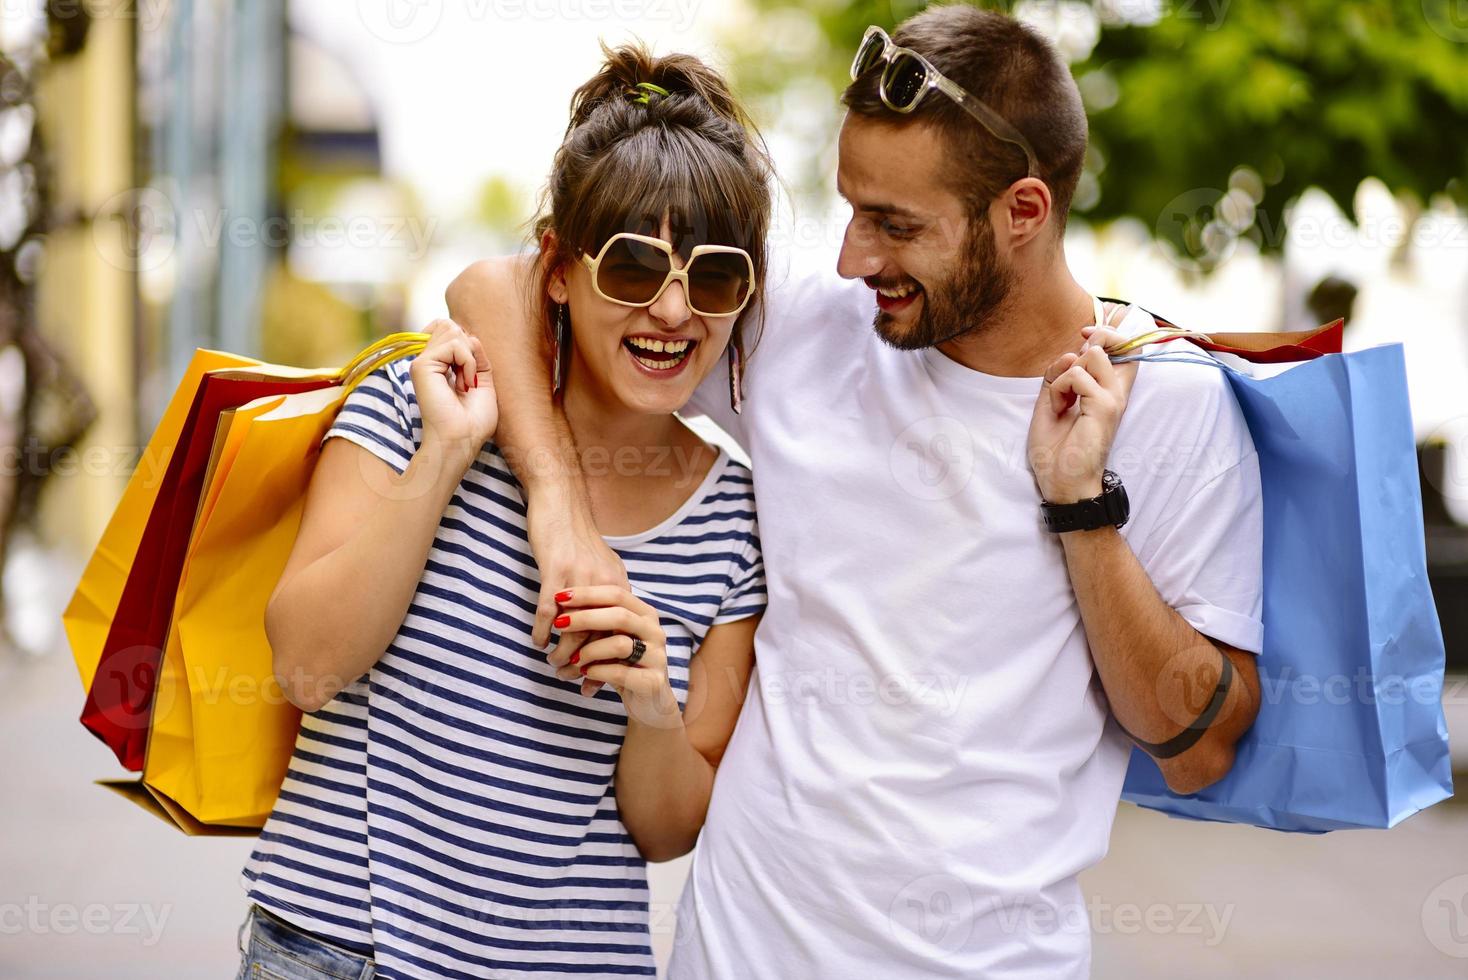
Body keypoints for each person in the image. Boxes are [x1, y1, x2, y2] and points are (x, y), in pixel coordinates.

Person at [448, 6, 1265, 979]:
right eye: (849, 207)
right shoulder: (806, 329)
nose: (850, 258)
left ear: (1023, 213)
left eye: (895, 224)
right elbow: (495, 286)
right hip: (734, 953)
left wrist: (1080, 506)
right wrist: (559, 505)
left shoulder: (1173, 403)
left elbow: (1198, 745)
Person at [236, 43, 772, 979]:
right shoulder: (422, 404)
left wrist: (652, 704)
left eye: (717, 276)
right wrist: (444, 456)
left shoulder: (734, 522)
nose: (675, 310)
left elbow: (667, 832)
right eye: (636, 266)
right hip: (338, 948)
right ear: (558, 270)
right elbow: (305, 669)